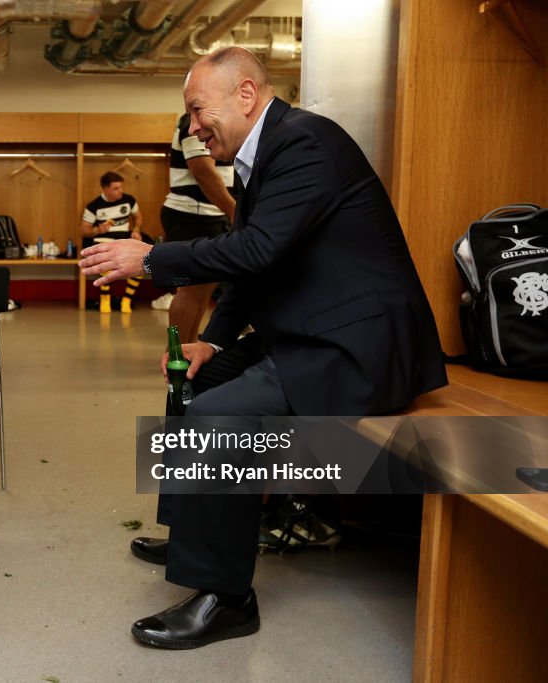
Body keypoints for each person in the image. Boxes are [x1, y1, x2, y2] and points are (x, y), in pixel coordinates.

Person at [79, 48, 447, 649]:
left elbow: (255, 252)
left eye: (198, 110)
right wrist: (212, 340)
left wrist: (150, 257)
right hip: (310, 334)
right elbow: (253, 263)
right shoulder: (263, 154)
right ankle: (197, 532)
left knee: (212, 419)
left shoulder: (305, 144)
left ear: (246, 94)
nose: (193, 128)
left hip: (357, 346)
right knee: (190, 379)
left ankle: (227, 598)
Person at [162, 112, 236, 342]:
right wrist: (235, 212)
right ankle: (175, 355)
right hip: (191, 214)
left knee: (204, 290)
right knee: (190, 290)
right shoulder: (195, 121)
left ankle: (187, 349)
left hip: (211, 215)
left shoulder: (217, 122)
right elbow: (203, 171)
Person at [81, 171, 145, 313]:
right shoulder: (93, 206)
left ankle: (127, 300)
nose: (120, 191)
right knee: (106, 262)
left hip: (124, 238)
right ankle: (105, 299)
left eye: (121, 187)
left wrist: (136, 230)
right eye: (116, 188)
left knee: (142, 260)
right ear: (105, 189)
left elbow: (138, 217)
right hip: (103, 240)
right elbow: (84, 231)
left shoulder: (129, 200)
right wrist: (98, 229)